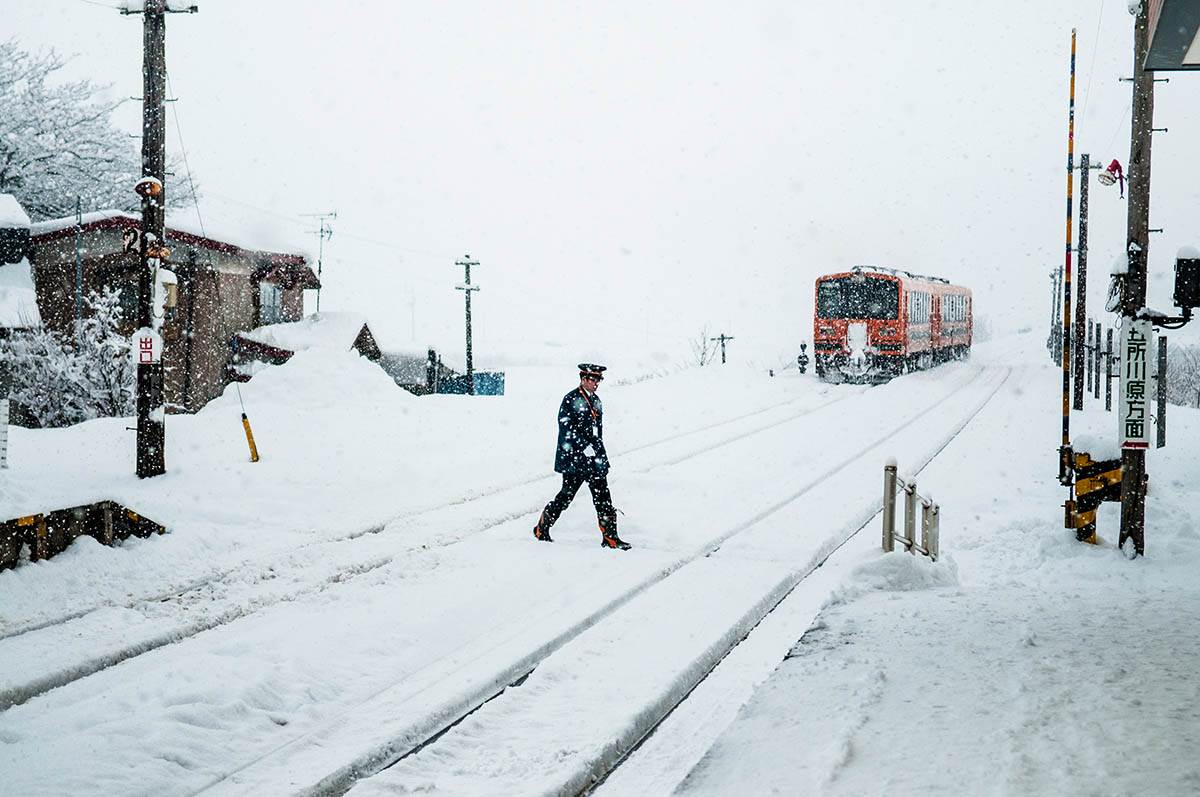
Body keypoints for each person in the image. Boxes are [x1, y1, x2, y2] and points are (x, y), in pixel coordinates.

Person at [533, 363, 632, 550]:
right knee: (566, 496)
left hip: (594, 458)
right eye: (593, 379)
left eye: (599, 380)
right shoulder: (570, 399)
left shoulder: (597, 401)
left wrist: (598, 452)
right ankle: (542, 527)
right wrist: (583, 446)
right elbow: (566, 427)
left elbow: (598, 432)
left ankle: (610, 537)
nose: (596, 383)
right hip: (575, 459)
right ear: (583, 379)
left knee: (603, 495)